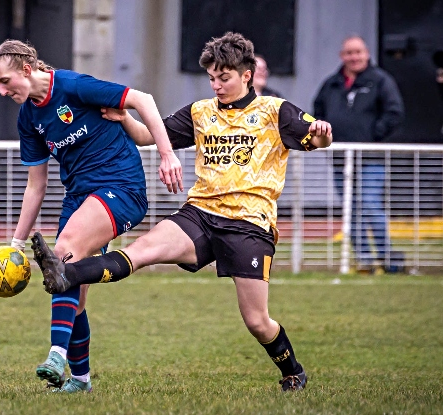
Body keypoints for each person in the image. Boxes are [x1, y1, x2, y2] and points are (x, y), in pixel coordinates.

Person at [30, 31, 333, 392]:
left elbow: (316, 139)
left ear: (247, 75)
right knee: (140, 252)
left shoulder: (274, 111)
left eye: (225, 78)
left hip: (249, 225)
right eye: (212, 78)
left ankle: (293, 371)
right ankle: (66, 274)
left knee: (256, 321)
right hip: (200, 214)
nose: (217, 85)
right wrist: (123, 117)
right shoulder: (201, 112)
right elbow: (145, 136)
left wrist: (323, 132)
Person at [0, 39, 183, 393]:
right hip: (79, 197)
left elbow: (144, 100)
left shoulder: (74, 86)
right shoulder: (28, 118)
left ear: (27, 70)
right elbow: (36, 185)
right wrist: (15, 243)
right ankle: (80, 380)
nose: (1, 91)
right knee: (71, 286)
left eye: (5, 81)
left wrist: (167, 154)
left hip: (122, 187)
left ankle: (56, 355)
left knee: (62, 255)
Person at [313, 35, 404, 273]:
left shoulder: (381, 81)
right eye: (349, 53)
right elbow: (317, 112)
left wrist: (373, 134)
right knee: (350, 209)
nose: (354, 57)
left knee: (369, 203)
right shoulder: (331, 83)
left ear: (367, 54)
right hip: (341, 158)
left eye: (358, 52)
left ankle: (390, 259)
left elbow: (394, 112)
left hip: (370, 157)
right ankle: (364, 259)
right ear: (342, 56)